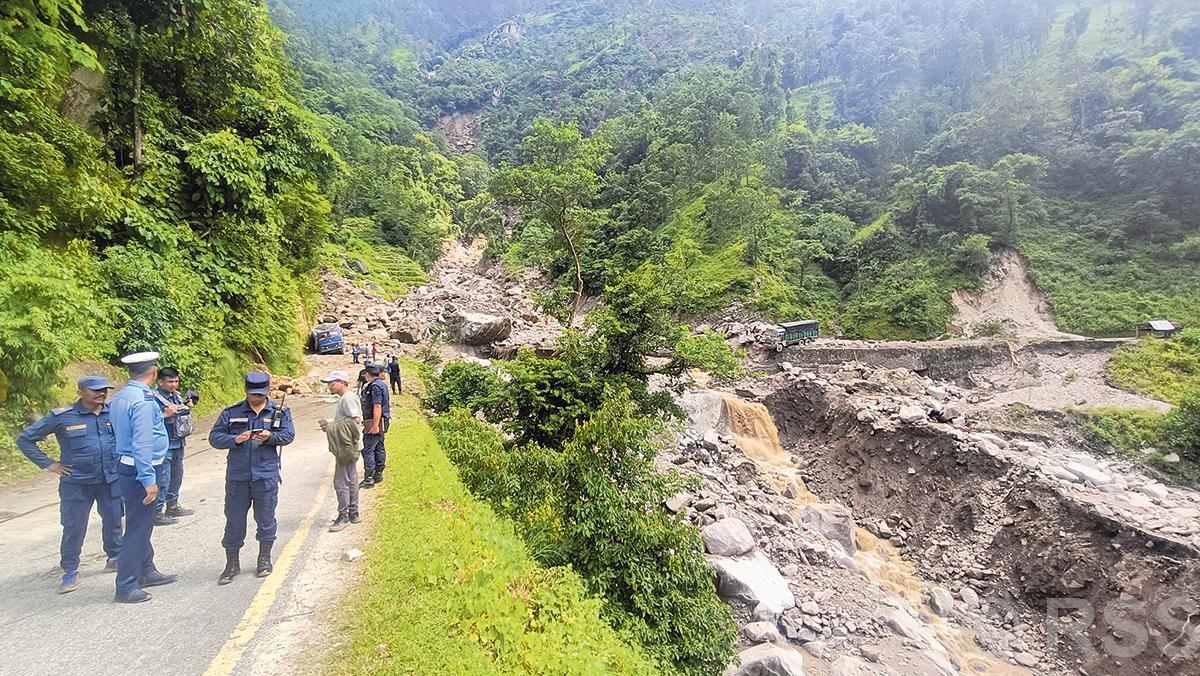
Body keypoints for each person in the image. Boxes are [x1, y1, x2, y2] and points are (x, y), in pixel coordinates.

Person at [17, 376, 124, 593]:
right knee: (74, 526)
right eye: (95, 390)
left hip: (109, 479)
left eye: (104, 390)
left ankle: (115, 557)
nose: (101, 394)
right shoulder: (63, 417)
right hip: (77, 483)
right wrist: (49, 464)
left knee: (114, 519)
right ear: (80, 392)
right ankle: (70, 570)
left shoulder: (112, 412)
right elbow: (25, 440)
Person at [209, 371, 296, 584]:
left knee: (266, 519)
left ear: (267, 391)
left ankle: (264, 558)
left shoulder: (279, 411)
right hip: (238, 476)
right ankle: (231, 564)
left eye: (260, 394)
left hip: (265, 474)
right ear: (246, 391)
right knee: (234, 521)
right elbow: (215, 437)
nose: (256, 398)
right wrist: (235, 439)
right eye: (253, 394)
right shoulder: (232, 412)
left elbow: (288, 435)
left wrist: (270, 437)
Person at [109, 352, 179, 604]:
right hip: (142, 469)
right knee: (138, 528)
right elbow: (141, 443)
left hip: (128, 466)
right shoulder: (143, 401)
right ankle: (127, 584)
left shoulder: (121, 396)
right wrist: (148, 479)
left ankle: (146, 570)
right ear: (153, 372)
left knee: (141, 523)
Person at [319, 370, 362, 532]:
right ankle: (353, 513)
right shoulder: (348, 397)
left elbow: (355, 421)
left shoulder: (347, 398)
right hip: (351, 444)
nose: (330, 386)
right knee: (351, 478)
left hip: (347, 446)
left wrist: (330, 426)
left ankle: (343, 515)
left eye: (333, 383)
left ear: (342, 382)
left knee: (341, 481)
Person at [153, 367, 197, 524]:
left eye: (176, 381)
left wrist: (188, 406)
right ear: (160, 382)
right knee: (163, 478)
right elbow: (149, 420)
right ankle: (156, 511)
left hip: (178, 441)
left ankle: (172, 505)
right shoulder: (153, 399)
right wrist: (165, 414)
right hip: (163, 443)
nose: (174, 385)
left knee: (177, 475)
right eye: (170, 381)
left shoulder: (177, 396)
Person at [358, 362, 390, 489]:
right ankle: (378, 473)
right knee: (379, 446)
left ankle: (369, 478)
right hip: (381, 421)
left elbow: (377, 407)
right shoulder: (381, 384)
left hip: (374, 421)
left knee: (368, 449)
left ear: (367, 374)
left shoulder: (375, 387)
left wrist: (375, 425)